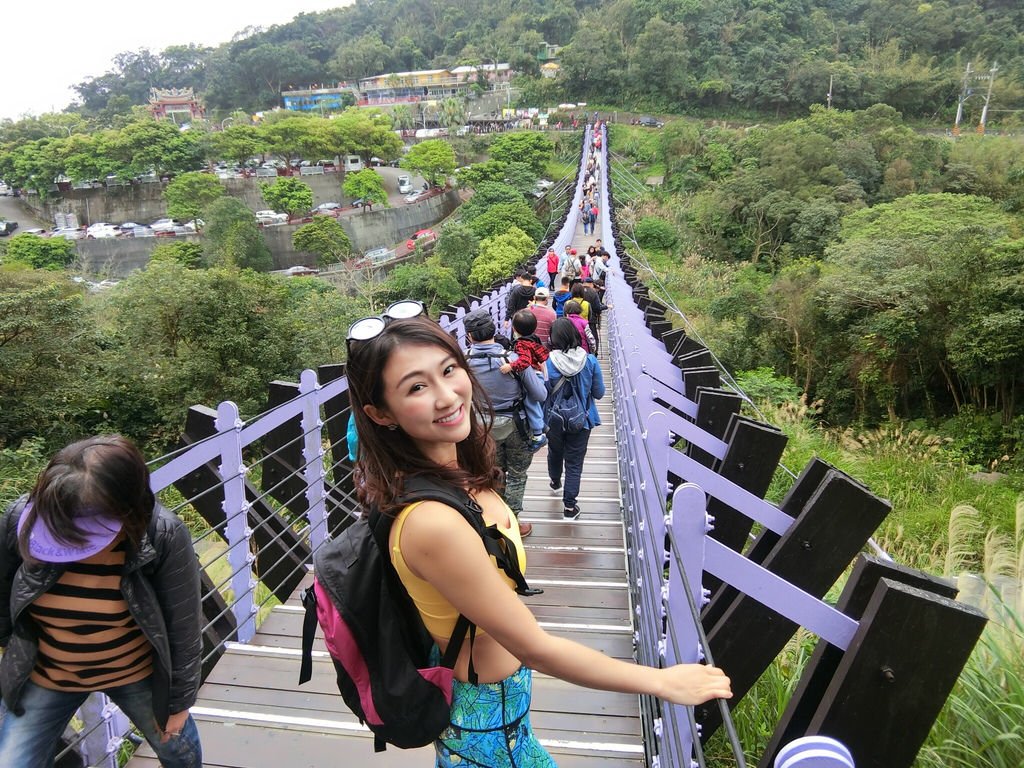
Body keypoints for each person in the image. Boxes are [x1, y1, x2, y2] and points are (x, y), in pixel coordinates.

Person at [343, 312, 732, 768]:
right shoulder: (432, 522)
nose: (447, 395)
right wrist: (661, 682)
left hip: (501, 714)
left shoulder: (455, 472)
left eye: (449, 370)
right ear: (380, 414)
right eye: (416, 387)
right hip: (486, 731)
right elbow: (534, 646)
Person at [0, 435, 203, 768]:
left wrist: (179, 703)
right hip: (49, 673)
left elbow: (184, 627)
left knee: (178, 750)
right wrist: (11, 649)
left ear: (127, 506)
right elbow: (2, 588)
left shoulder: (162, 534)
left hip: (136, 673)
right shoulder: (20, 520)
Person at [463, 311, 546, 537]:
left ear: (469, 336)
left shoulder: (461, 362)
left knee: (493, 474)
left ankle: (495, 520)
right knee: (517, 474)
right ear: (494, 330)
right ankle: (513, 523)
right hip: (516, 426)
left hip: (481, 429)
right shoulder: (513, 359)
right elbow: (539, 394)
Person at [545, 318, 605, 520]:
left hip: (554, 418)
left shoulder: (548, 362)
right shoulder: (590, 361)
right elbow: (599, 393)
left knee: (555, 451)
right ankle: (569, 507)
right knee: (574, 463)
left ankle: (555, 481)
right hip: (583, 419)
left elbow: (542, 392)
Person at [499, 310, 550, 452]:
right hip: (537, 374)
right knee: (533, 403)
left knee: (530, 403)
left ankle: (538, 435)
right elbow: (541, 355)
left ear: (514, 328)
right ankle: (542, 426)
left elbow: (525, 361)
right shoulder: (534, 339)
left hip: (531, 375)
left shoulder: (521, 344)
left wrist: (511, 366)